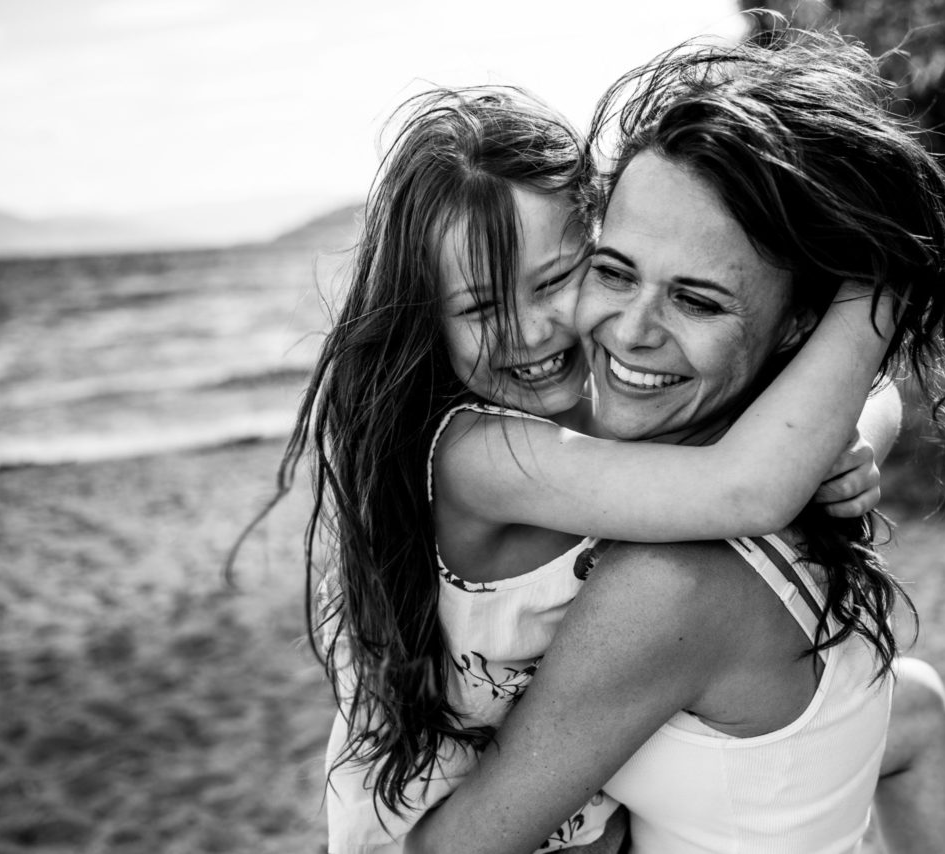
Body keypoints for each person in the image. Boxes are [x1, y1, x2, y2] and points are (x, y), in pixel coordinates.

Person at [233, 84, 899, 852]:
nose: (534, 329)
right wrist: (883, 281)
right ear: (429, 326)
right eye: (483, 309)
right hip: (430, 822)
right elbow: (745, 488)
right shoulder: (482, 454)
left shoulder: (601, 407)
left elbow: (868, 393)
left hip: (558, 803)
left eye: (557, 280)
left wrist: (854, 436)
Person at [404, 24, 945, 854]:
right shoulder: (747, 463)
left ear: (799, 321)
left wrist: (879, 316)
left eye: (697, 300)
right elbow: (918, 716)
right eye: (614, 271)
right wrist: (855, 415)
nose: (630, 332)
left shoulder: (668, 584)